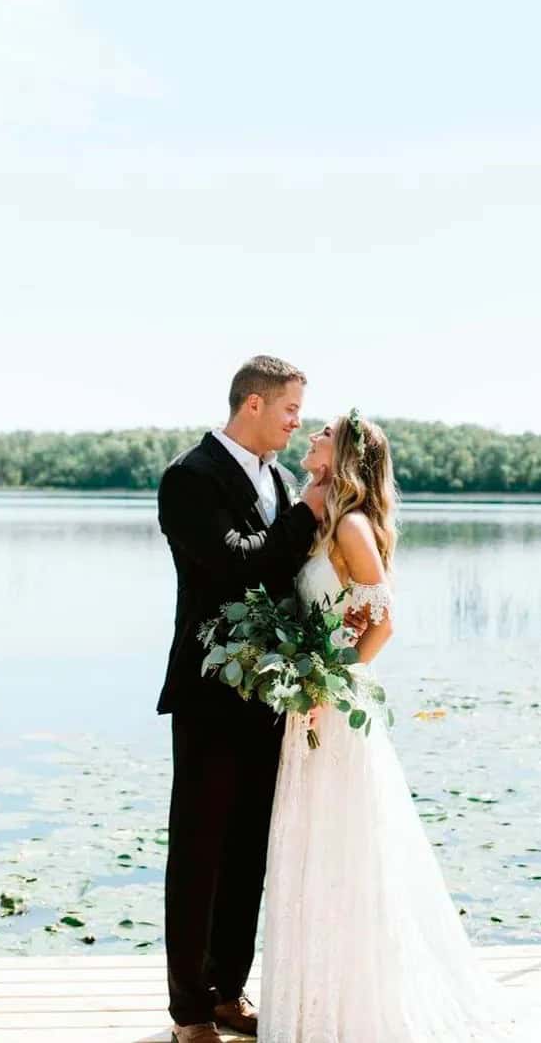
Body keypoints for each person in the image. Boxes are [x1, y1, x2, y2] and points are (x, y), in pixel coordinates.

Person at [259, 411, 541, 1042]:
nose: (311, 436)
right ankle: (316, 1002)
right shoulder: (319, 518)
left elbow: (384, 621)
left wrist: (325, 683)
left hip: (335, 710)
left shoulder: (351, 524)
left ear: (343, 455)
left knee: (347, 848)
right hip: (310, 708)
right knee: (314, 849)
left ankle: (358, 1007)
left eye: (323, 433)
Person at [156, 356, 365, 1043]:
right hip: (210, 693)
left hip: (271, 698)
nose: (297, 422)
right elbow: (241, 567)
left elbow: (290, 582)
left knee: (248, 851)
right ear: (252, 404)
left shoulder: (277, 478)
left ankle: (226, 989)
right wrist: (308, 511)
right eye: (288, 410)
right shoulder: (188, 479)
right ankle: (189, 1011)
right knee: (199, 850)